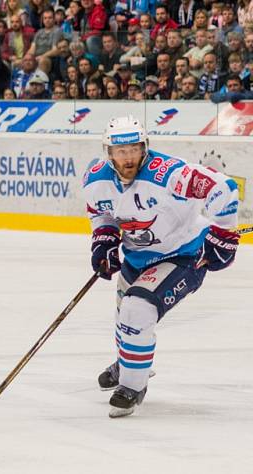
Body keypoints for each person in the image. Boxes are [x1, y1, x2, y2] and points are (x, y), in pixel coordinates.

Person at [83, 116, 240, 417]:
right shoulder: (95, 180)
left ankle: (132, 386)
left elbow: (224, 187)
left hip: (183, 254)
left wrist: (224, 235)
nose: (128, 157)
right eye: (120, 150)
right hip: (138, 258)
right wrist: (104, 241)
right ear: (108, 152)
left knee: (136, 309)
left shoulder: (168, 174)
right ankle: (127, 362)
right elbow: (101, 214)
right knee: (124, 320)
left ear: (144, 148)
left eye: (134, 148)